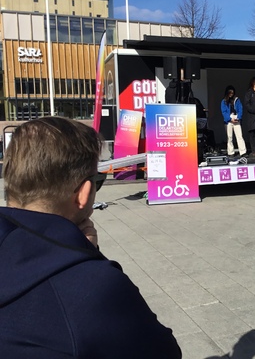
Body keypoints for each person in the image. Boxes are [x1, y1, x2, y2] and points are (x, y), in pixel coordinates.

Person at [0, 117, 182, 358]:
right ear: (83, 194)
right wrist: (86, 259)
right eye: (97, 181)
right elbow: (165, 352)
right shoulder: (95, 287)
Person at [221, 85, 247, 158]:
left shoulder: (237, 100)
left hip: (236, 119)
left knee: (239, 136)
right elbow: (224, 112)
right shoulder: (224, 101)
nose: (231, 94)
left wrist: (238, 117)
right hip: (228, 121)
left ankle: (243, 152)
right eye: (230, 92)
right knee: (229, 137)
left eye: (232, 93)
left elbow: (240, 109)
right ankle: (230, 152)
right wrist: (229, 119)